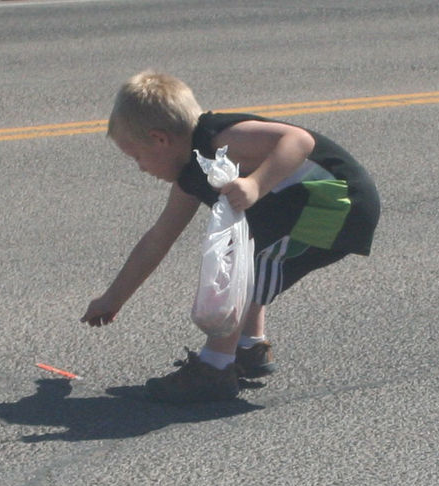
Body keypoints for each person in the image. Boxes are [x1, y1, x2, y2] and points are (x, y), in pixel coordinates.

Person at [81, 71, 380, 404]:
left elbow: (298, 140)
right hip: (309, 211)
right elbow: (158, 239)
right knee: (247, 242)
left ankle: (215, 367)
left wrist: (255, 184)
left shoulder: (220, 137)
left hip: (337, 204)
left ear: (160, 139)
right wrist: (113, 298)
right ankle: (249, 347)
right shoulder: (190, 176)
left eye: (137, 156)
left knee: (243, 260)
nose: (140, 167)